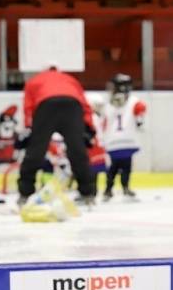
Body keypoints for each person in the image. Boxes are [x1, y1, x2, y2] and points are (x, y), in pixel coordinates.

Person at [17, 64, 96, 205]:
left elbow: (28, 107)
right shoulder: (71, 79)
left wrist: (29, 128)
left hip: (46, 105)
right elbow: (85, 105)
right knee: (77, 151)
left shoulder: (34, 80)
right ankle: (88, 193)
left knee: (36, 151)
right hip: (72, 105)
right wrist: (89, 127)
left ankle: (25, 193)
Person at [102, 73, 147, 201]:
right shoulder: (135, 101)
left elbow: (104, 121)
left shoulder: (108, 103)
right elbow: (140, 117)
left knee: (114, 167)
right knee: (126, 166)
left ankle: (108, 190)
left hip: (112, 140)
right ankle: (125, 188)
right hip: (128, 139)